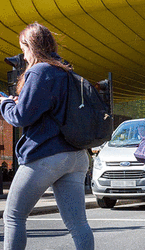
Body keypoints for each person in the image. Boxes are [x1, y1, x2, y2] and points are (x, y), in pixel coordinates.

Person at [0, 22, 94, 249]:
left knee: (13, 217)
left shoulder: (40, 71)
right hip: (76, 156)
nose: (23, 55)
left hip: (47, 154)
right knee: (78, 224)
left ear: (31, 46)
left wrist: (4, 104)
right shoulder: (66, 71)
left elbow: (21, 117)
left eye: (23, 49)